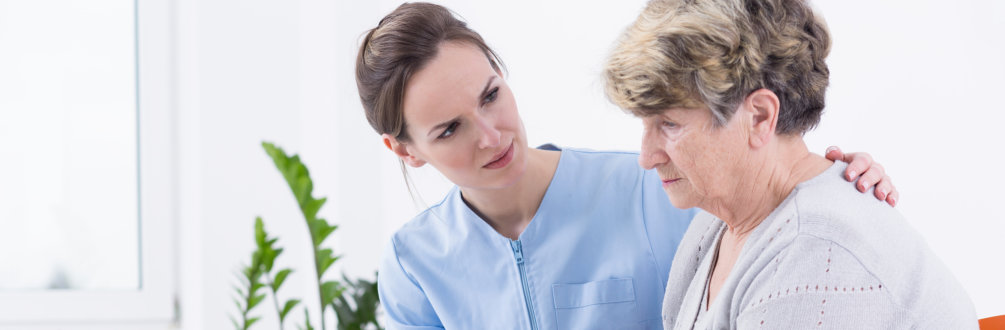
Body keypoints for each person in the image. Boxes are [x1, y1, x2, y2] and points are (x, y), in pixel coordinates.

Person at [355, 3, 895, 329]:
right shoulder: (413, 266)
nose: (492, 136)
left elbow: (777, 225)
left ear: (501, 71)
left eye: (491, 95)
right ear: (404, 150)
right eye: (450, 129)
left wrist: (832, 181)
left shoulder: (657, 189)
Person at [603, 0, 977, 328]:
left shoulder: (815, 254)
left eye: (669, 124)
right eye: (645, 124)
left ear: (760, 117)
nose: (646, 157)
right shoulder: (715, 220)